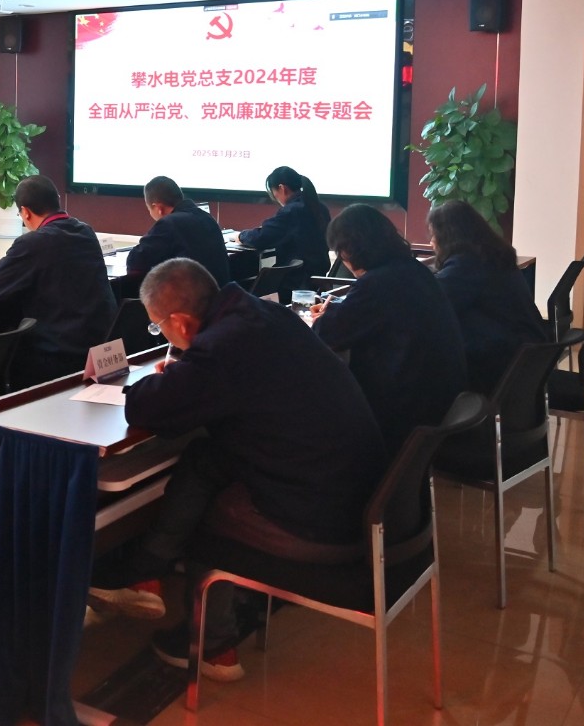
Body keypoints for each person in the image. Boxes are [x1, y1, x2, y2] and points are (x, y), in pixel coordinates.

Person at [87, 259, 386, 681]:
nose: (163, 334)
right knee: (206, 458)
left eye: (159, 327)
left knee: (209, 513)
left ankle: (214, 646)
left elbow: (146, 407)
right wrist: (187, 373)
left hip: (321, 527)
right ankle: (145, 575)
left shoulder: (222, 349)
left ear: (181, 323)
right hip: (359, 499)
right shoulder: (262, 316)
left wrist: (178, 375)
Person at [312, 204, 467, 455]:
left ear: (350, 249)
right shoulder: (417, 271)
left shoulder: (376, 284)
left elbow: (325, 335)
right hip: (443, 401)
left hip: (405, 413)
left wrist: (321, 318)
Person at [0, 174, 116, 388]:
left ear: (25, 212)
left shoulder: (34, 242)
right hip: (100, 344)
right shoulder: (85, 231)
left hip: (59, 355)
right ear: (57, 200)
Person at [428, 200, 545, 394]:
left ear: (448, 236)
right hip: (525, 359)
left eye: (434, 235)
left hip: (501, 365)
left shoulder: (466, 265)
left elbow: (433, 301)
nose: (432, 241)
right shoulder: (493, 256)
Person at [118, 175, 230, 300]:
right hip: (219, 300)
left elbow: (136, 260)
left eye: (150, 209)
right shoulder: (207, 217)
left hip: (193, 303)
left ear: (158, 208)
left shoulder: (169, 224)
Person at [235, 165, 332, 297]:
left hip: (295, 283)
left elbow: (262, 238)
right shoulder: (319, 207)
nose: (275, 197)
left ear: (282, 188)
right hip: (316, 280)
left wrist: (241, 236)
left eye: (273, 193)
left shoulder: (292, 211)